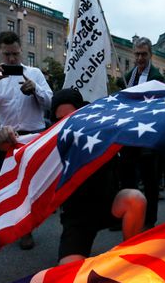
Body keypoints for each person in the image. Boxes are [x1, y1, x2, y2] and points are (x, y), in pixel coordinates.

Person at [0, 31, 53, 250]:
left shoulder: (34, 73)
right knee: (11, 187)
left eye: (15, 54)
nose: (11, 59)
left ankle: (27, 229)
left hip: (34, 137)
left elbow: (50, 102)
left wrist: (35, 90)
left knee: (31, 187)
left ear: (21, 51)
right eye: (7, 54)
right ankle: (13, 227)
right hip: (8, 140)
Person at [49, 89, 146, 265]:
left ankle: (130, 259)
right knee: (69, 273)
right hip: (77, 219)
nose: (65, 123)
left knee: (135, 199)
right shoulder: (51, 142)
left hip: (107, 206)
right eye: (59, 119)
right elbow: (22, 147)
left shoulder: (102, 132)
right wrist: (4, 140)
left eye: (70, 117)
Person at [116, 37, 165, 230]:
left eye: (143, 54)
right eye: (137, 54)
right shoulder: (127, 77)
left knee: (150, 181)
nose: (140, 58)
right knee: (128, 179)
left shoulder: (158, 78)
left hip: (149, 138)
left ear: (150, 54)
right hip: (129, 137)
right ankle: (129, 215)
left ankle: (149, 221)